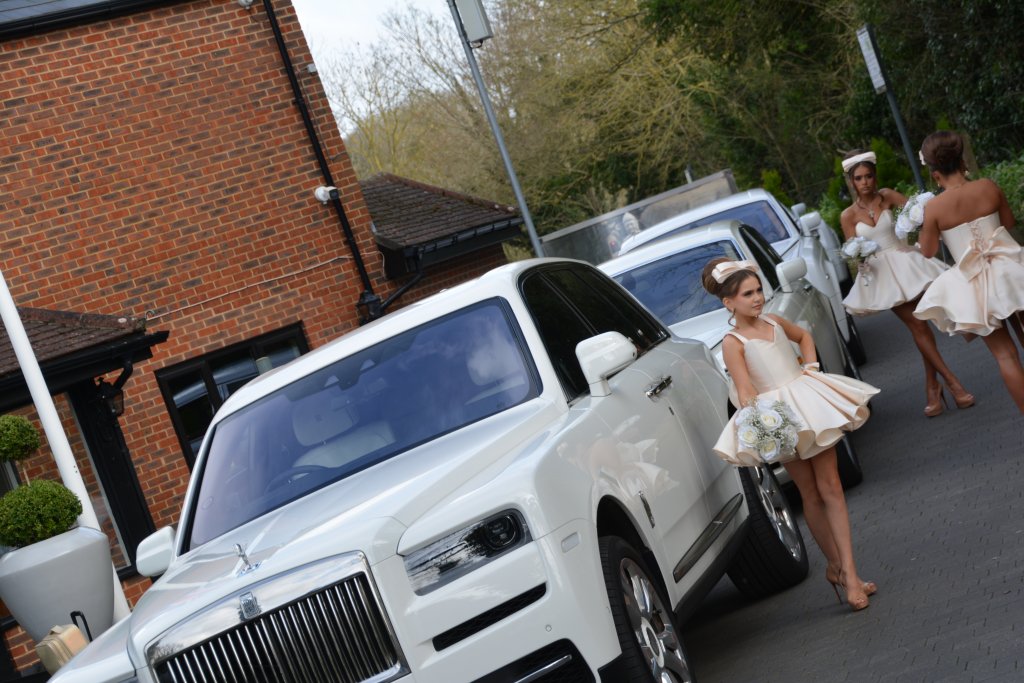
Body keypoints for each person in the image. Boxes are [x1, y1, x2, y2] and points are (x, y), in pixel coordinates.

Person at [704, 258, 881, 611]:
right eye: (748, 294)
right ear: (729, 303)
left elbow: (804, 336)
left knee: (831, 486)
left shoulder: (773, 320)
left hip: (805, 402)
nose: (757, 299)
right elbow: (743, 390)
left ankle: (848, 571)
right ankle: (838, 569)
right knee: (810, 493)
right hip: (780, 417)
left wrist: (811, 368)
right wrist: (765, 422)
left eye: (758, 291)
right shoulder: (732, 341)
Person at [839, 150, 975, 417]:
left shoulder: (888, 196)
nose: (865, 182)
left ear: (874, 176)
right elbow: (852, 251)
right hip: (882, 275)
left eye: (868, 176)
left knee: (920, 327)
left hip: (908, 264)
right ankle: (953, 384)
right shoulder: (848, 216)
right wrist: (860, 259)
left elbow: (920, 215)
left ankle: (933, 388)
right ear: (851, 182)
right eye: (858, 178)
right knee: (917, 325)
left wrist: (915, 243)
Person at [913, 130, 1024, 413]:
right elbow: (1009, 222)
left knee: (1006, 356)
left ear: (934, 172)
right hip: (1012, 270)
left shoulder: (934, 208)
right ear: (961, 160)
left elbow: (927, 251)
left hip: (975, 285)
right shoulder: (988, 186)